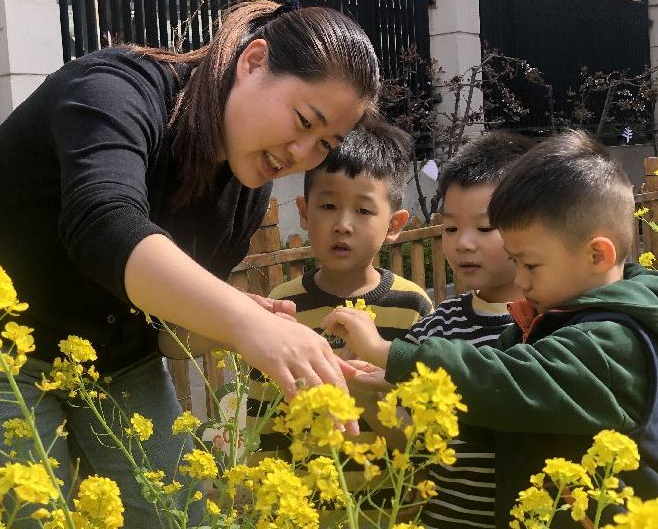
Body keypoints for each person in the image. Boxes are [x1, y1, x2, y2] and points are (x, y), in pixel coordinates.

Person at [0, 0, 382, 524]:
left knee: (177, 514)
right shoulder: (113, 90)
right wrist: (243, 319)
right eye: (303, 120)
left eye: (325, 143)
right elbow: (105, 224)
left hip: (115, 353)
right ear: (253, 61)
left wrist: (241, 331)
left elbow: (163, 332)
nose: (300, 154)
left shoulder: (246, 189)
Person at [323, 130, 658, 528]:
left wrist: (389, 352)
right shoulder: (544, 320)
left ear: (596, 254)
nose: (523, 279)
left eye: (530, 265)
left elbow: (504, 378)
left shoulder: (612, 341)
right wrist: (404, 388)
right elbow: (495, 424)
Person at [245, 122, 432, 518]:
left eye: (363, 210)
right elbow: (263, 412)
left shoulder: (412, 305)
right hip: (304, 508)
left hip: (388, 505)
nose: (342, 224)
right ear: (304, 213)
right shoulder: (284, 305)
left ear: (394, 226)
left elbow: (422, 425)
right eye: (328, 206)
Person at [402, 131, 533, 529]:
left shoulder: (554, 324)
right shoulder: (438, 324)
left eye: (485, 228)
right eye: (451, 228)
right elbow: (401, 419)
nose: (463, 244)